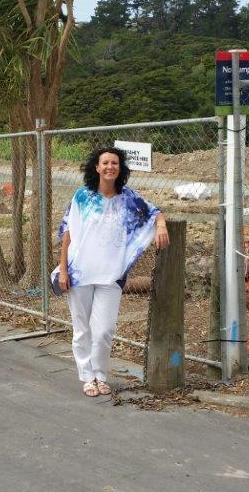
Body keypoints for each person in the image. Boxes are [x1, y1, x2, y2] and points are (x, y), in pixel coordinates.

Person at [50, 146, 169, 397]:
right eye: (105, 163)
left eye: (114, 163)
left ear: (120, 168)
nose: (110, 167)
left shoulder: (128, 198)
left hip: (110, 276)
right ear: (97, 167)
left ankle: (101, 375)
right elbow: (67, 235)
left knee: (103, 331)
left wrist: (160, 225)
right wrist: (63, 270)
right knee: (82, 329)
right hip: (79, 273)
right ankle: (88, 376)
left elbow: (154, 211)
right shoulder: (82, 197)